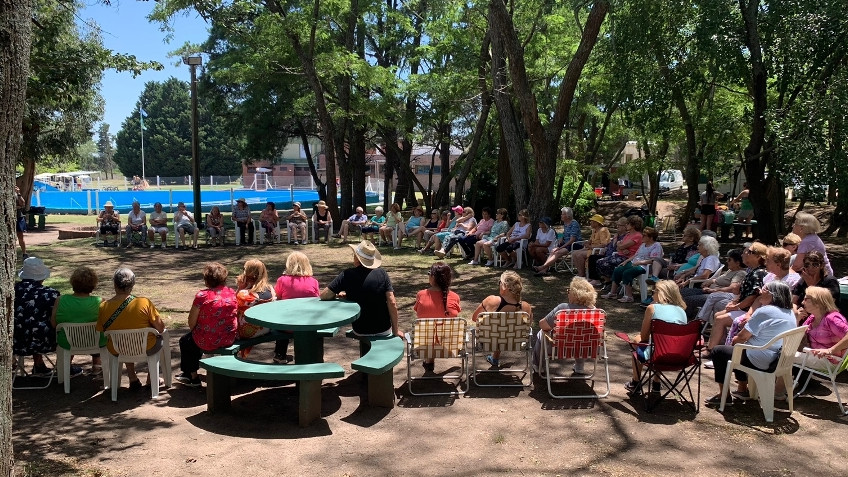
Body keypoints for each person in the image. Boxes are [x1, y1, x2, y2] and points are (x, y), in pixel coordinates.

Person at [705, 281, 796, 407]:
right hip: (778, 359)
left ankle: (724, 395)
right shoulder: (790, 313)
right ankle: (742, 389)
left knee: (719, 351)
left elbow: (742, 337)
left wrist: (734, 341)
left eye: (763, 289)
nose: (759, 292)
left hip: (761, 359)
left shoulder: (765, 311)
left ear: (771, 294)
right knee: (738, 349)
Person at [96, 268, 166, 391]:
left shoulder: (104, 306)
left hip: (118, 349)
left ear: (114, 284)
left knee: (124, 341)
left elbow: (101, 329)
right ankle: (151, 379)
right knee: (157, 338)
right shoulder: (144, 303)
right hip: (146, 347)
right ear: (132, 284)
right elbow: (160, 328)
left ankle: (132, 378)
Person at [320, 241, 401, 344]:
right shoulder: (382, 273)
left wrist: (338, 295)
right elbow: (392, 301)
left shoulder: (347, 275)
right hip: (383, 329)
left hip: (360, 329)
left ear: (357, 258)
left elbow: (324, 295)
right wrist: (395, 331)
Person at [177, 263, 238, 387]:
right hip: (229, 337)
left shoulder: (202, 296)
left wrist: (197, 330)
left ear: (207, 280)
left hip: (208, 339)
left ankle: (192, 376)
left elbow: (191, 321)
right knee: (195, 339)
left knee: (186, 341)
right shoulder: (231, 292)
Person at [702, 242, 769, 352]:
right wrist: (734, 301)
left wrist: (736, 307)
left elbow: (753, 297)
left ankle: (711, 350)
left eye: (748, 252)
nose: (743, 254)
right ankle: (717, 345)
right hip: (743, 307)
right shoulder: (752, 271)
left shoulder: (759, 273)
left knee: (720, 319)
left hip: (750, 311)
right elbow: (744, 293)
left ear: (758, 256)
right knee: (718, 315)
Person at [624, 281, 688, 395]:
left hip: (657, 355)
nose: (653, 294)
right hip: (680, 356)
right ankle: (656, 383)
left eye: (654, 291)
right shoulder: (682, 311)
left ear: (661, 293)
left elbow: (644, 336)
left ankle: (636, 382)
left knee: (638, 340)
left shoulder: (652, 308)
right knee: (662, 342)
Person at [534, 277, 596, 371]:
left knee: (541, 332)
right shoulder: (595, 312)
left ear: (575, 294)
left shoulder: (563, 309)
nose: (568, 293)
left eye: (569, 291)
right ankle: (579, 366)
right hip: (586, 349)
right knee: (582, 336)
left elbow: (542, 325)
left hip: (559, 348)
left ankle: (538, 365)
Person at [472, 270, 532, 367]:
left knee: (498, 329)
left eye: (499, 282)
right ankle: (495, 358)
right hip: (514, 342)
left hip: (488, 341)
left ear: (504, 286)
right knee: (504, 329)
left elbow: (475, 318)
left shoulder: (491, 300)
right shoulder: (526, 307)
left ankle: (495, 358)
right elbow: (527, 327)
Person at [50, 266, 102, 377]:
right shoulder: (100, 302)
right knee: (98, 334)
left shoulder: (60, 300)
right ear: (93, 284)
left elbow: (53, 324)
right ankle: (97, 366)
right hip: (94, 342)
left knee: (68, 335)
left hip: (68, 343)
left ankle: (65, 367)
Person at [14, 257, 59, 376]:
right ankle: (65, 367)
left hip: (15, 341)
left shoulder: (12, 291)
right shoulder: (50, 294)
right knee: (46, 326)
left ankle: (38, 364)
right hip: (44, 342)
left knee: (29, 323)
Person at [273, 252, 320, 363]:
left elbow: (277, 298)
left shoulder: (282, 280)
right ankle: (308, 355)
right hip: (308, 323)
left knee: (281, 320)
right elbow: (317, 300)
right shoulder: (313, 282)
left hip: (287, 324)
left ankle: (280, 355)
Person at [413, 262, 461, 372]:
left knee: (429, 329)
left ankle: (429, 361)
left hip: (423, 347)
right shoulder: (455, 297)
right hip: (450, 346)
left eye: (429, 273)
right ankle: (429, 361)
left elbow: (420, 314)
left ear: (433, 277)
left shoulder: (421, 295)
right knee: (438, 329)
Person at [794, 286, 848, 374]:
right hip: (816, 356)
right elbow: (797, 337)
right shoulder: (812, 318)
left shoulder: (832, 318)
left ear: (817, 302)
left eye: (806, 299)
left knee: (784, 357)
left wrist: (830, 350)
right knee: (783, 354)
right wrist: (798, 319)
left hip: (831, 361)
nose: (802, 302)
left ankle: (783, 382)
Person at [601, 227, 664, 303]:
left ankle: (629, 296)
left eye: (644, 235)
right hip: (635, 263)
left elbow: (654, 260)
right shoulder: (643, 245)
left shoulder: (656, 245)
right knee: (618, 269)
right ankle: (613, 293)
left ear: (651, 237)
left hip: (645, 266)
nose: (642, 237)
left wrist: (640, 262)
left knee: (627, 273)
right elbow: (636, 255)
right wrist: (626, 261)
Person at [680, 249, 746, 320]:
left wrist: (714, 290)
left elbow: (732, 288)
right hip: (708, 291)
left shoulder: (740, 273)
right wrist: (710, 281)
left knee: (689, 300)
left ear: (737, 263)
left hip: (714, 295)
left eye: (729, 260)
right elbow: (720, 280)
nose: (727, 261)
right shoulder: (730, 270)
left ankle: (686, 320)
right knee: (683, 292)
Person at [235, 259, 277, 356]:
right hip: (266, 328)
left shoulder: (243, 294)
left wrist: (240, 288)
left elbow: (232, 306)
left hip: (247, 332)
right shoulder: (270, 289)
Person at [595, 215, 643, 290]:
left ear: (633, 226)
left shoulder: (638, 236)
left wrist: (620, 245)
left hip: (629, 258)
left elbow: (622, 245)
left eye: (628, 224)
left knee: (605, 263)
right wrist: (621, 247)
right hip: (620, 255)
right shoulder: (628, 235)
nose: (626, 225)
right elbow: (617, 247)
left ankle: (614, 283)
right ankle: (610, 282)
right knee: (599, 262)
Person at [792, 250, 841, 324]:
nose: (810, 268)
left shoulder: (830, 281)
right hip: (803, 318)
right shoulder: (803, 281)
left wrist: (811, 286)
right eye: (807, 265)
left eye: (815, 264)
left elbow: (826, 304)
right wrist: (796, 311)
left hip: (824, 320)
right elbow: (793, 301)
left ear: (821, 266)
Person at [588, 217, 629, 285]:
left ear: (625, 227)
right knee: (592, 257)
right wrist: (606, 248)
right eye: (617, 225)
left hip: (614, 255)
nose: (617, 227)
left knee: (597, 260)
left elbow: (616, 247)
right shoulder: (617, 235)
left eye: (619, 225)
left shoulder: (625, 236)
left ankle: (605, 280)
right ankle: (596, 279)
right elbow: (610, 244)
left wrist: (615, 239)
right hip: (607, 253)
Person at [566, 214, 610, 278]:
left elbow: (604, 244)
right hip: (591, 248)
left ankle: (582, 274)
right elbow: (591, 240)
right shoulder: (594, 230)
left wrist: (591, 247)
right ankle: (580, 272)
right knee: (574, 253)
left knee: (580, 255)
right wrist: (587, 243)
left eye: (592, 221)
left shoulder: (602, 230)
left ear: (597, 223)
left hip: (597, 250)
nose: (590, 222)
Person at [791, 211, 833, 276]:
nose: (792, 225)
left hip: (820, 277)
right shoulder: (813, 238)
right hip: (824, 274)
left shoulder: (806, 242)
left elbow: (797, 266)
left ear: (801, 228)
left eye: (795, 224)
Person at [15, 185, 27, 259]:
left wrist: (18, 193)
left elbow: (22, 204)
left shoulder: (16, 194)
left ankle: (24, 253)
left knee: (20, 237)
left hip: (19, 217)